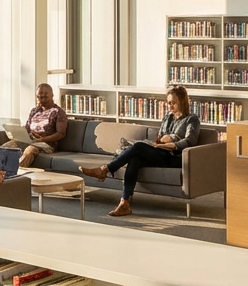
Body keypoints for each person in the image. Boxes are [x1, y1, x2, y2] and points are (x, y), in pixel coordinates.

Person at [79, 86, 201, 217]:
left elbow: (190, 141)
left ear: (182, 101)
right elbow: (161, 135)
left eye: (173, 103)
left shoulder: (192, 119)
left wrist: (171, 144)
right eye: (168, 103)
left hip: (175, 157)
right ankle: (124, 203)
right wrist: (160, 142)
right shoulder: (168, 117)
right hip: (161, 152)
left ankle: (104, 170)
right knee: (135, 159)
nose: (170, 106)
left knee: (138, 146)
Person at [18, 83, 68, 168]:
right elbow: (27, 128)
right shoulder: (34, 111)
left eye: (45, 97)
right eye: (39, 97)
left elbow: (61, 133)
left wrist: (42, 139)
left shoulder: (58, 112)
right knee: (5, 147)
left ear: (52, 95)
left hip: (46, 144)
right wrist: (19, 134)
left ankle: (16, 176)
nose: (42, 100)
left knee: (29, 151)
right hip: (30, 140)